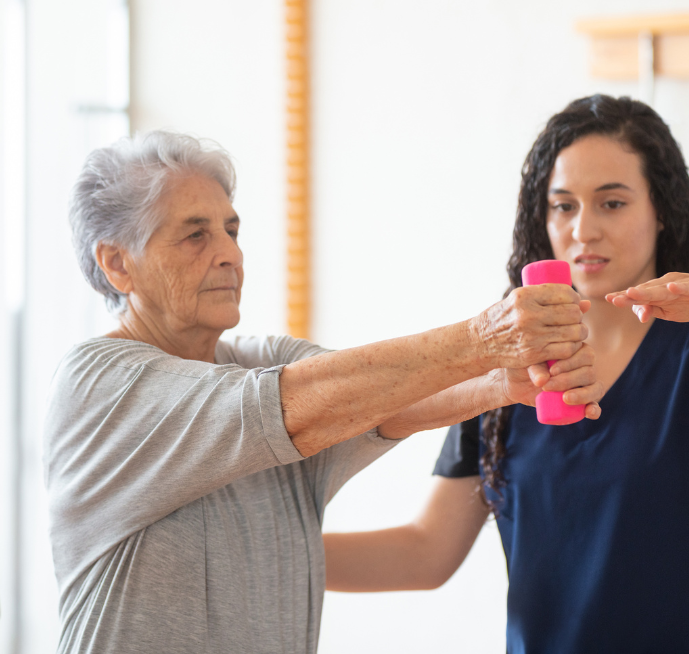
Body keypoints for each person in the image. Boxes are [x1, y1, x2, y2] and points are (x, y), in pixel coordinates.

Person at [44, 130, 601, 654]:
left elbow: (374, 402)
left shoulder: (265, 362)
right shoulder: (98, 384)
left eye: (232, 231)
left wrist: (500, 383)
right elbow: (288, 408)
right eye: (196, 234)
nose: (230, 255)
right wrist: (484, 340)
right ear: (118, 264)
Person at [322, 95, 689, 654]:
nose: (583, 230)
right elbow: (426, 552)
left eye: (612, 203)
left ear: (660, 210)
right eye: (563, 206)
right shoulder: (508, 373)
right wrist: (267, 549)